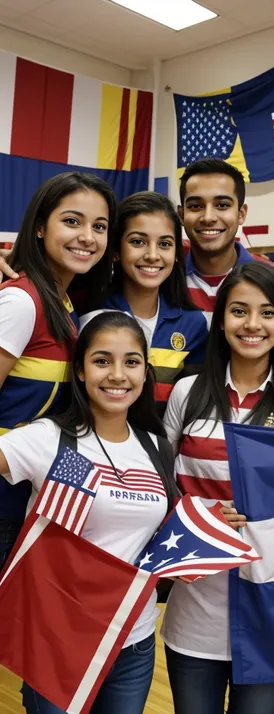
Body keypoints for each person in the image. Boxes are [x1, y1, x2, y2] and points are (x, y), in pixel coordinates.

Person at [162, 261, 274, 714]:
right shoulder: (188, 393)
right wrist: (198, 517)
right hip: (195, 606)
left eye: (268, 312)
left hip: (270, 609)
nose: (252, 325)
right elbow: (163, 487)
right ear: (220, 320)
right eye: (239, 311)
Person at [0, 311, 179, 714]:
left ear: (145, 372)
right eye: (102, 360)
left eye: (131, 362)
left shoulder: (156, 447)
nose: (118, 374)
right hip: (60, 640)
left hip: (133, 639)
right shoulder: (50, 439)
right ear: (79, 370)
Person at [0, 171, 116, 567]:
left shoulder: (64, 305)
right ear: (38, 226)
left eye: (99, 226)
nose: (87, 236)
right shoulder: (21, 301)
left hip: (27, 504)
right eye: (72, 221)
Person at [80, 191, 208, 414]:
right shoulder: (90, 313)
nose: (152, 255)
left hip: (162, 445)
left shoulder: (193, 324)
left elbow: (189, 408)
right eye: (138, 241)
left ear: (177, 253)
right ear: (116, 251)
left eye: (165, 244)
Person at [179, 157, 274, 325]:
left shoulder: (273, 278)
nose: (208, 217)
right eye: (196, 206)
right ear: (181, 215)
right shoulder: (163, 272)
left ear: (241, 214)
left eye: (222, 205)